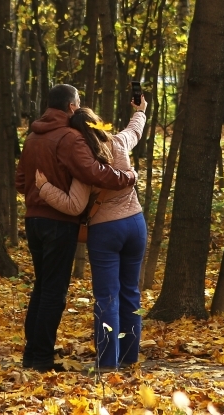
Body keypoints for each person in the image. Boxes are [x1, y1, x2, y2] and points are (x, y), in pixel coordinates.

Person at [15, 84, 137, 373]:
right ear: (71, 106)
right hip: (59, 222)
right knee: (53, 292)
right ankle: (42, 359)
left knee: (42, 286)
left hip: (33, 219)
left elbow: (21, 182)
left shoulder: (32, 137)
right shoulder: (69, 138)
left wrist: (40, 191)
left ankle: (32, 355)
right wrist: (127, 177)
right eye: (78, 102)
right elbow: (92, 172)